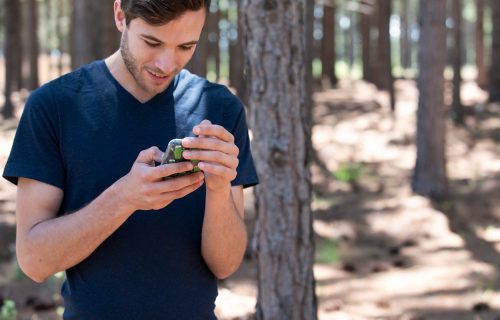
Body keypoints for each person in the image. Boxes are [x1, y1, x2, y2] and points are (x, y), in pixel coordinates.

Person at [2, 0, 258, 318]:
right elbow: (34, 261)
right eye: (152, 42)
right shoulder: (54, 107)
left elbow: (227, 263)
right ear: (121, 14)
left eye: (185, 46)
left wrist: (219, 189)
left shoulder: (220, 109)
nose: (166, 63)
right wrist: (124, 198)